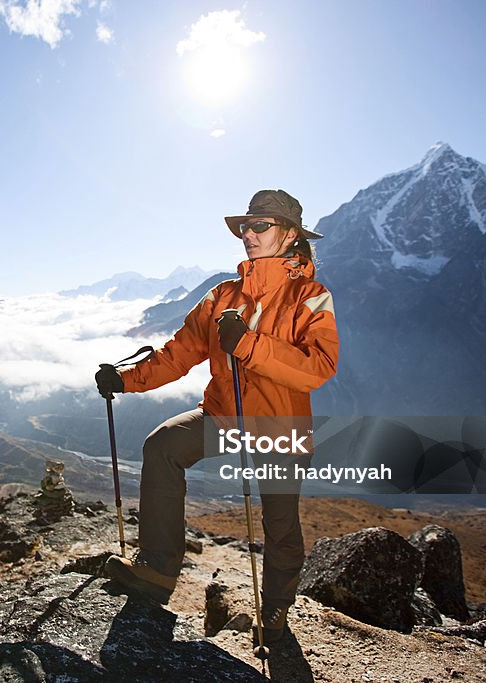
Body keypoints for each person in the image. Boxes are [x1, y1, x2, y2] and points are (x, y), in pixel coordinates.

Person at [95, 189, 339, 644]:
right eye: (244, 226)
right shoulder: (221, 296)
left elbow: (318, 368)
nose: (248, 234)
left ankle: (276, 610)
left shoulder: (312, 297)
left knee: (280, 521)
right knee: (163, 445)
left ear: (289, 235)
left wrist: (248, 344)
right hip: (224, 417)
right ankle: (157, 570)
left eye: (259, 226)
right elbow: (178, 353)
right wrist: (126, 379)